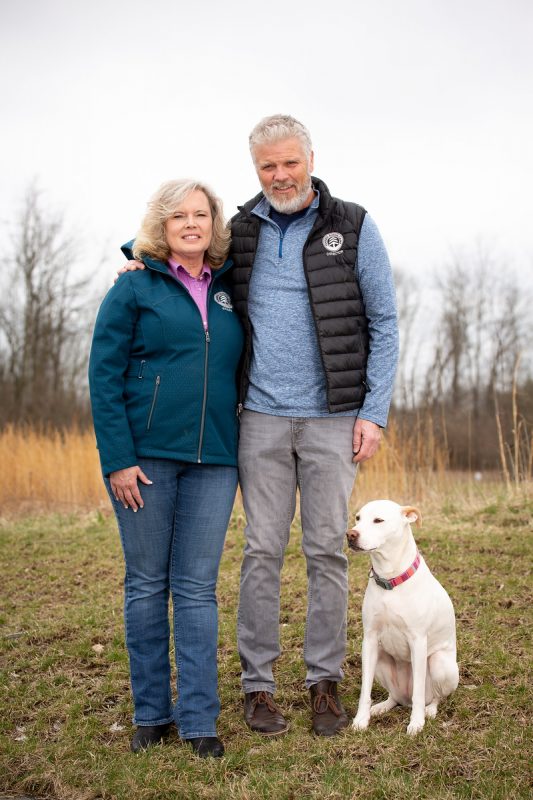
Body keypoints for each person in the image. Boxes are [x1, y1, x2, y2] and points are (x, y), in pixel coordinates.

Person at [119, 114, 399, 738]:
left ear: (310, 159)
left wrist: (373, 412)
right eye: (267, 166)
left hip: (334, 420)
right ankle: (259, 687)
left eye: (289, 163)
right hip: (260, 419)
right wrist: (134, 262)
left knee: (328, 549)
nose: (279, 175)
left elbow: (384, 321)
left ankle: (324, 683)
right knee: (261, 552)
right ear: (256, 170)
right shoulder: (238, 232)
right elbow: (182, 260)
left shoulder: (352, 225)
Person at [89, 179, 244, 758]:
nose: (190, 224)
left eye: (200, 215)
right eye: (178, 216)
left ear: (213, 224)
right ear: (161, 225)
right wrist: (119, 460)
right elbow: (103, 378)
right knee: (148, 584)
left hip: (215, 462)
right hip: (146, 460)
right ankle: (151, 713)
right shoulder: (132, 291)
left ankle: (200, 719)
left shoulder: (232, 289)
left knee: (198, 589)